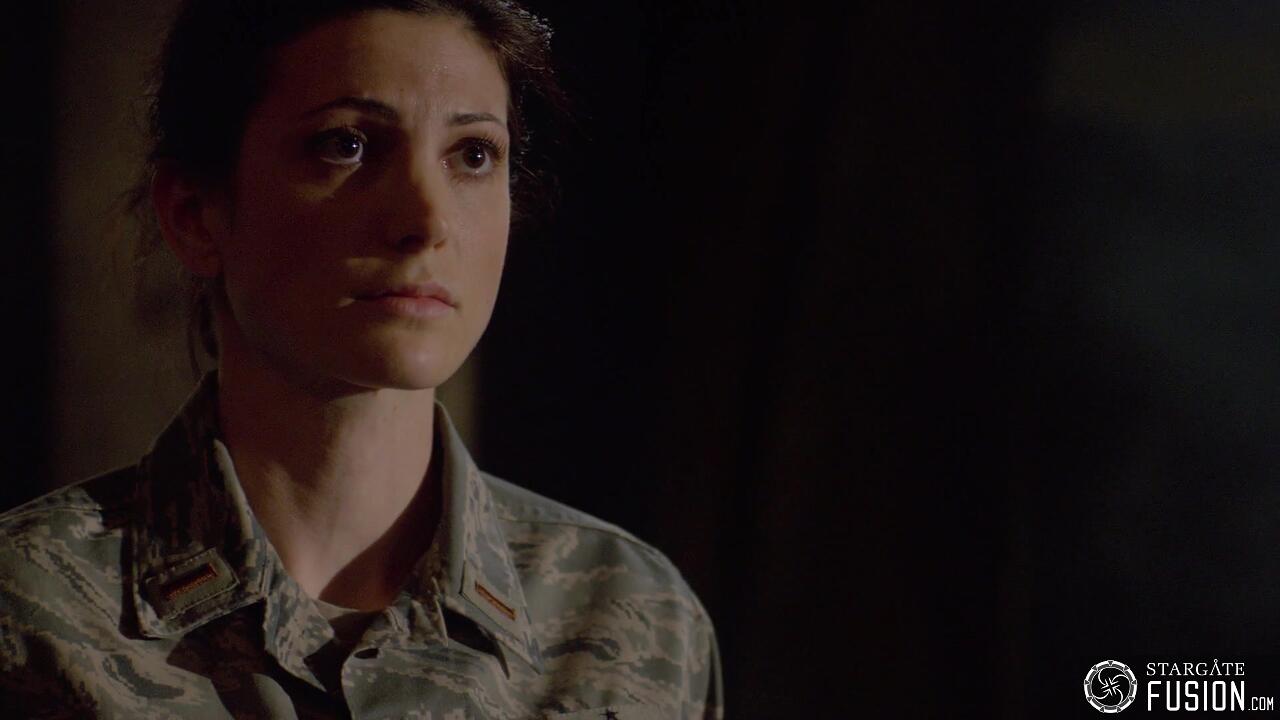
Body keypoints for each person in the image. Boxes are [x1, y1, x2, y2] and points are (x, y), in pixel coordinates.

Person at [0, 1, 723, 717]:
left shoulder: (629, 619)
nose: (427, 219)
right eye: (345, 144)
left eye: (473, 154)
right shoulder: (32, 614)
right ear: (195, 214)